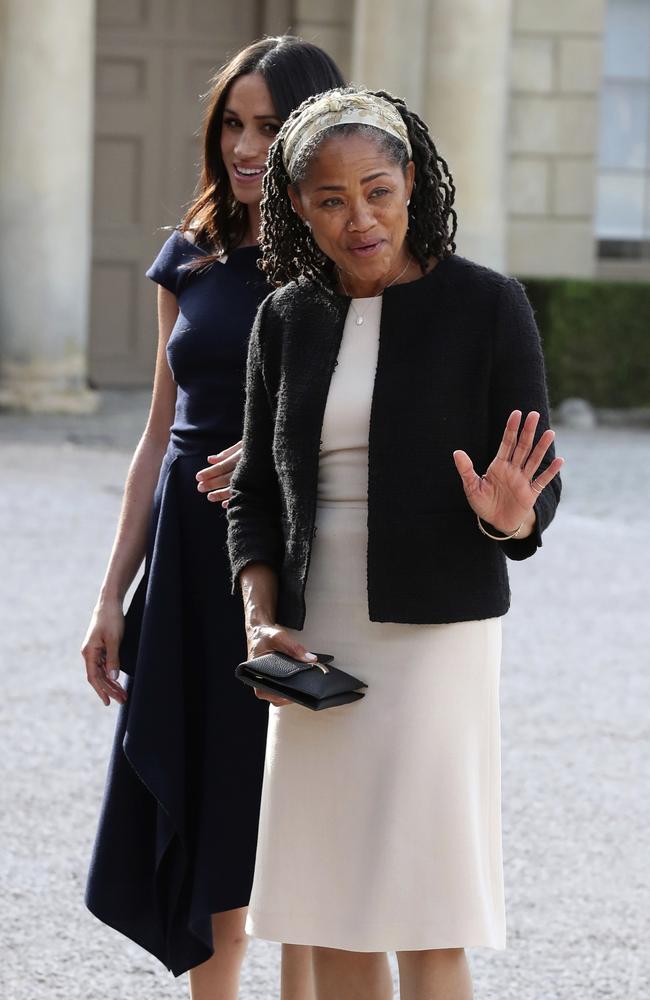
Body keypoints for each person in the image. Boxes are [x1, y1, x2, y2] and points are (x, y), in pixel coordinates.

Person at [226, 87, 564, 1000]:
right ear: (298, 205)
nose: (360, 218)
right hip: (313, 639)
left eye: (378, 190)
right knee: (330, 907)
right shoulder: (285, 317)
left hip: (435, 634)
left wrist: (509, 513)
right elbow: (254, 495)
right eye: (332, 199)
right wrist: (263, 625)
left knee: (423, 905)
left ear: (412, 181)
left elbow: (535, 497)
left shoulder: (488, 306)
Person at [81, 37, 345, 999]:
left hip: (297, 573)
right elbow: (157, 440)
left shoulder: (341, 259)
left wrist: (280, 465)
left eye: (268, 126)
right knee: (206, 849)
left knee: (297, 849)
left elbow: (376, 422)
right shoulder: (187, 257)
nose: (244, 145)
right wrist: (112, 596)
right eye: (231, 123)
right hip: (188, 578)